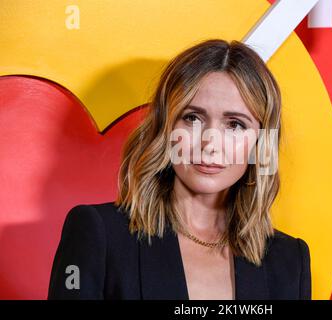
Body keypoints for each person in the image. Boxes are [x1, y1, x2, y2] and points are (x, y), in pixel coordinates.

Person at [47, 38, 311, 300]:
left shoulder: (289, 260)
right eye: (192, 118)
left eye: (235, 125)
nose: (209, 142)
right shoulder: (99, 234)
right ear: (166, 128)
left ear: (261, 143)